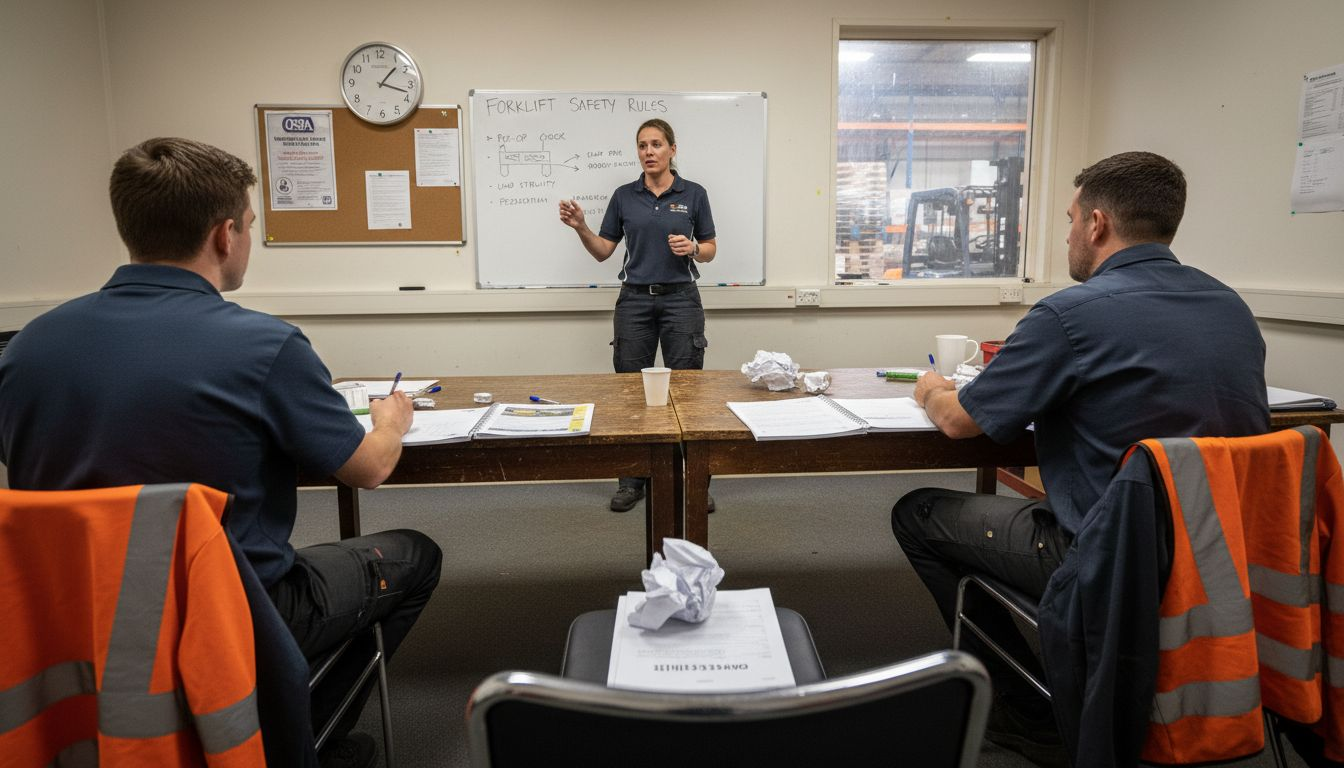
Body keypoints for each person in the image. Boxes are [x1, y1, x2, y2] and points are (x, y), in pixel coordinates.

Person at [0, 137, 442, 768]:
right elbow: (367, 469)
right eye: (252, 225)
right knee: (415, 556)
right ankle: (314, 736)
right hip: (238, 608)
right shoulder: (265, 345)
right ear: (226, 234)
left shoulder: (26, 348)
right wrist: (391, 422)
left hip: (69, 613)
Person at [890, 151, 1269, 767]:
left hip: (1110, 554)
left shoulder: (1069, 314)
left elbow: (962, 421)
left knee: (917, 513)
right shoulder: (1229, 307)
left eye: (1069, 219)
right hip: (1223, 550)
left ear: (1096, 224)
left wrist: (932, 388)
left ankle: (1027, 717)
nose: (1067, 234)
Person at [559, 118, 717, 512]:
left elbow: (711, 247)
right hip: (635, 302)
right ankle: (633, 481)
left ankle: (692, 480)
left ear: (672, 150)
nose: (649, 152)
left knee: (686, 392)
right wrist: (581, 227)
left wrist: (693, 249)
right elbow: (603, 251)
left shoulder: (694, 194)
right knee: (630, 393)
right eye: (643, 145)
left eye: (657, 144)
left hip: (681, 300)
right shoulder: (624, 196)